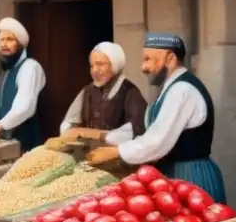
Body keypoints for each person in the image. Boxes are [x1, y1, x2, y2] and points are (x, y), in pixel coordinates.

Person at [90, 33, 227, 203]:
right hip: (173, 176)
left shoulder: (182, 90)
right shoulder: (169, 89)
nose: (143, 67)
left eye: (148, 59)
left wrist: (117, 152)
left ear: (170, 58)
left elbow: (157, 140)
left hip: (191, 177)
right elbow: (148, 129)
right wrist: (107, 138)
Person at [60, 42, 147, 142]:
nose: (95, 70)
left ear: (114, 65)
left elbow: (137, 130)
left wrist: (98, 135)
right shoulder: (87, 91)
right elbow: (68, 124)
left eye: (100, 64)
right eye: (92, 65)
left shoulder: (130, 92)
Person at [0, 18, 46, 152]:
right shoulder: (2, 71)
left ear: (20, 45)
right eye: (2, 40)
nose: (4, 44)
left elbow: (25, 107)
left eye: (10, 40)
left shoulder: (30, 67)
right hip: (1, 144)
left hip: (24, 145)